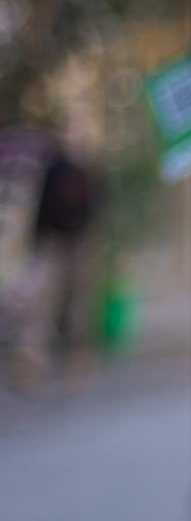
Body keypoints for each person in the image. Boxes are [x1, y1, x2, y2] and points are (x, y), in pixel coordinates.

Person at [15, 139, 99, 385]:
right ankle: (37, 361)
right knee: (47, 305)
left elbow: (92, 208)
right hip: (58, 243)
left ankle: (72, 359)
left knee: (72, 305)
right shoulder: (57, 172)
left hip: (71, 243)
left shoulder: (79, 173)